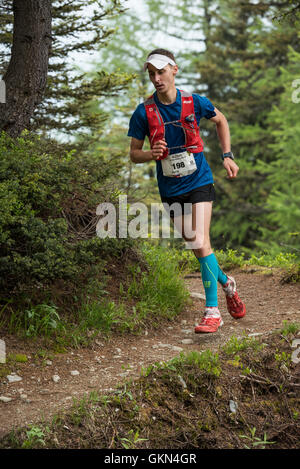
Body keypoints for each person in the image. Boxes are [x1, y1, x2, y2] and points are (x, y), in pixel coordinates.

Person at [127, 48, 246, 333]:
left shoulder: (194, 102)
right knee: (196, 244)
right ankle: (227, 284)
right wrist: (152, 153)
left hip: (199, 181)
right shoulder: (144, 112)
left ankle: (212, 311)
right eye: (151, 74)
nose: (156, 79)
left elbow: (221, 120)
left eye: (161, 72)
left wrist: (227, 155)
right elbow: (133, 153)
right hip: (170, 187)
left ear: (174, 70)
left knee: (200, 239)